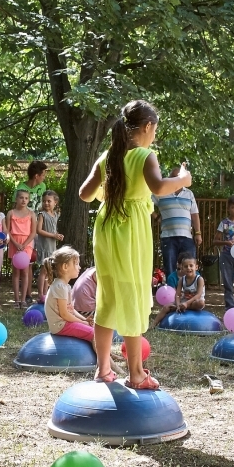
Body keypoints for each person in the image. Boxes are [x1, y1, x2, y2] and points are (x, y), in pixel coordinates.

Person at [79, 99, 191, 388]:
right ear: (148, 126)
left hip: (106, 229)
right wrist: (182, 179)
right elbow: (158, 187)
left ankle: (103, 370)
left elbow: (84, 194)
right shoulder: (145, 155)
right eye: (155, 130)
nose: (154, 136)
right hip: (131, 232)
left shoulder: (108, 156)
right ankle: (136, 374)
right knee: (131, 295)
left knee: (108, 297)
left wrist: (108, 187)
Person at [43, 247, 122, 375]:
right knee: (95, 334)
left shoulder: (65, 285)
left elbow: (71, 309)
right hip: (60, 325)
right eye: (76, 264)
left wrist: (84, 319)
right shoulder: (60, 287)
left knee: (94, 329)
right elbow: (64, 314)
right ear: (65, 267)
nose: (79, 267)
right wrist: (84, 323)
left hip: (64, 323)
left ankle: (109, 355)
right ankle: (110, 366)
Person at [152, 166, 202, 277]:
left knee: (190, 267)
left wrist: (198, 233)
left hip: (187, 237)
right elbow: (146, 203)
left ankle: (189, 292)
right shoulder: (161, 192)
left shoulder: (189, 194)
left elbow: (194, 214)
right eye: (172, 177)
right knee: (169, 268)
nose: (175, 180)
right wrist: (156, 217)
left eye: (177, 177)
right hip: (168, 237)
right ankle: (171, 292)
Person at [152, 255, 205, 327]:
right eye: (186, 266)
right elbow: (177, 295)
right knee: (166, 307)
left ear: (196, 267)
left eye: (191, 266)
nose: (188, 268)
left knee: (201, 303)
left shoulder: (199, 279)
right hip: (183, 301)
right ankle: (153, 324)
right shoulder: (181, 280)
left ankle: (186, 308)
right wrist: (177, 305)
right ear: (182, 268)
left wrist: (187, 304)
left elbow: (198, 294)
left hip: (194, 302)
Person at [6, 189, 36, 308]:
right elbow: (7, 230)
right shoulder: (11, 213)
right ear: (16, 199)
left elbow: (33, 232)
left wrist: (24, 244)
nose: (24, 200)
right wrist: (14, 243)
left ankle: (24, 299)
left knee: (25, 271)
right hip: (14, 243)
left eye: (26, 198)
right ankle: (16, 300)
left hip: (26, 244)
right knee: (16, 272)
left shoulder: (31, 214)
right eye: (21, 198)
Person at [35, 190, 64, 303]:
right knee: (43, 271)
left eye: (49, 201)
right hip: (44, 247)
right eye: (44, 201)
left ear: (55, 202)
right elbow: (39, 230)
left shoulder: (56, 214)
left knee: (48, 271)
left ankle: (46, 294)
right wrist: (53, 235)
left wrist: (57, 235)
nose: (46, 203)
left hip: (52, 247)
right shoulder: (42, 215)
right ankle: (40, 294)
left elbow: (53, 229)